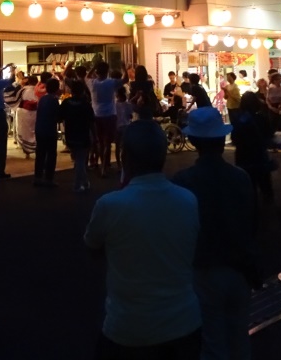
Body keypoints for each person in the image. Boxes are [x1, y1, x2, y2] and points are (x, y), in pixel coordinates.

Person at [85, 119, 201, 358]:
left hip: (129, 327)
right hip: (184, 322)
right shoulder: (188, 200)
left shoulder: (110, 205)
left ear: (125, 157)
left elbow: (92, 247)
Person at [174, 107, 259, 360]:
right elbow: (252, 222)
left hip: (203, 268)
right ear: (222, 141)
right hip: (240, 267)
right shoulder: (240, 177)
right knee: (239, 337)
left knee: (212, 342)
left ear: (193, 141)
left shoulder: (183, 181)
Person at [231, 92, 274, 204]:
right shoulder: (262, 118)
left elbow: (234, 138)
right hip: (260, 154)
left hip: (243, 156)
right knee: (264, 182)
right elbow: (269, 135)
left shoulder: (238, 119)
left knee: (248, 184)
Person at [60, 80, 94, 192]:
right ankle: (78, 184)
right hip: (83, 133)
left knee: (77, 159)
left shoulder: (66, 103)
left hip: (70, 133)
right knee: (81, 159)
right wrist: (94, 135)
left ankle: (84, 182)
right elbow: (91, 121)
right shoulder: (85, 104)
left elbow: (60, 117)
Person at [89, 62, 121, 178]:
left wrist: (93, 67)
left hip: (97, 114)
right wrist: (123, 68)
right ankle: (104, 166)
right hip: (110, 114)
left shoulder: (92, 83)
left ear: (97, 71)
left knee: (100, 142)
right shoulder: (111, 82)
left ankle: (102, 163)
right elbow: (125, 79)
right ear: (107, 71)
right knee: (107, 142)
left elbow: (87, 76)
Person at [33, 78, 62, 187]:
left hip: (39, 129)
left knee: (40, 154)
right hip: (49, 130)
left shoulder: (42, 99)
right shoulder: (54, 100)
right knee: (51, 155)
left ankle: (38, 177)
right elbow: (58, 117)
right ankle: (49, 178)